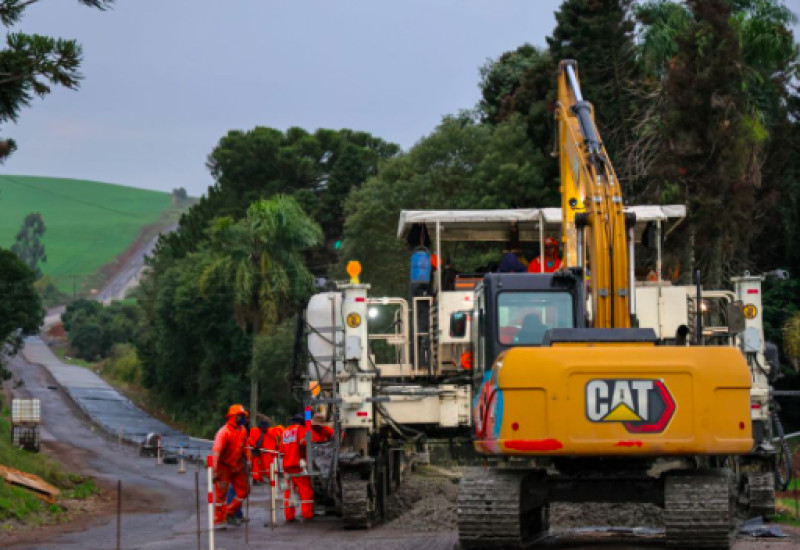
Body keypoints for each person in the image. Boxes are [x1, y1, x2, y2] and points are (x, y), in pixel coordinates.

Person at [211, 404, 251, 527]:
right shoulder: (223, 432)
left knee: (244, 491)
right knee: (221, 496)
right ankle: (219, 520)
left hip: (237, 466)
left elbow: (245, 446)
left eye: (244, 416)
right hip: (224, 468)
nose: (244, 418)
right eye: (241, 416)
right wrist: (214, 471)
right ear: (234, 417)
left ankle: (230, 512)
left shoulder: (242, 430)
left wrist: (249, 460)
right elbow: (216, 452)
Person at [280, 413, 314, 522]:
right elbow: (304, 443)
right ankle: (307, 514)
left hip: (287, 466)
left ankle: (289, 516)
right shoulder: (301, 429)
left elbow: (281, 451)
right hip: (298, 465)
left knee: (288, 492)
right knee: (305, 490)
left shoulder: (285, 432)